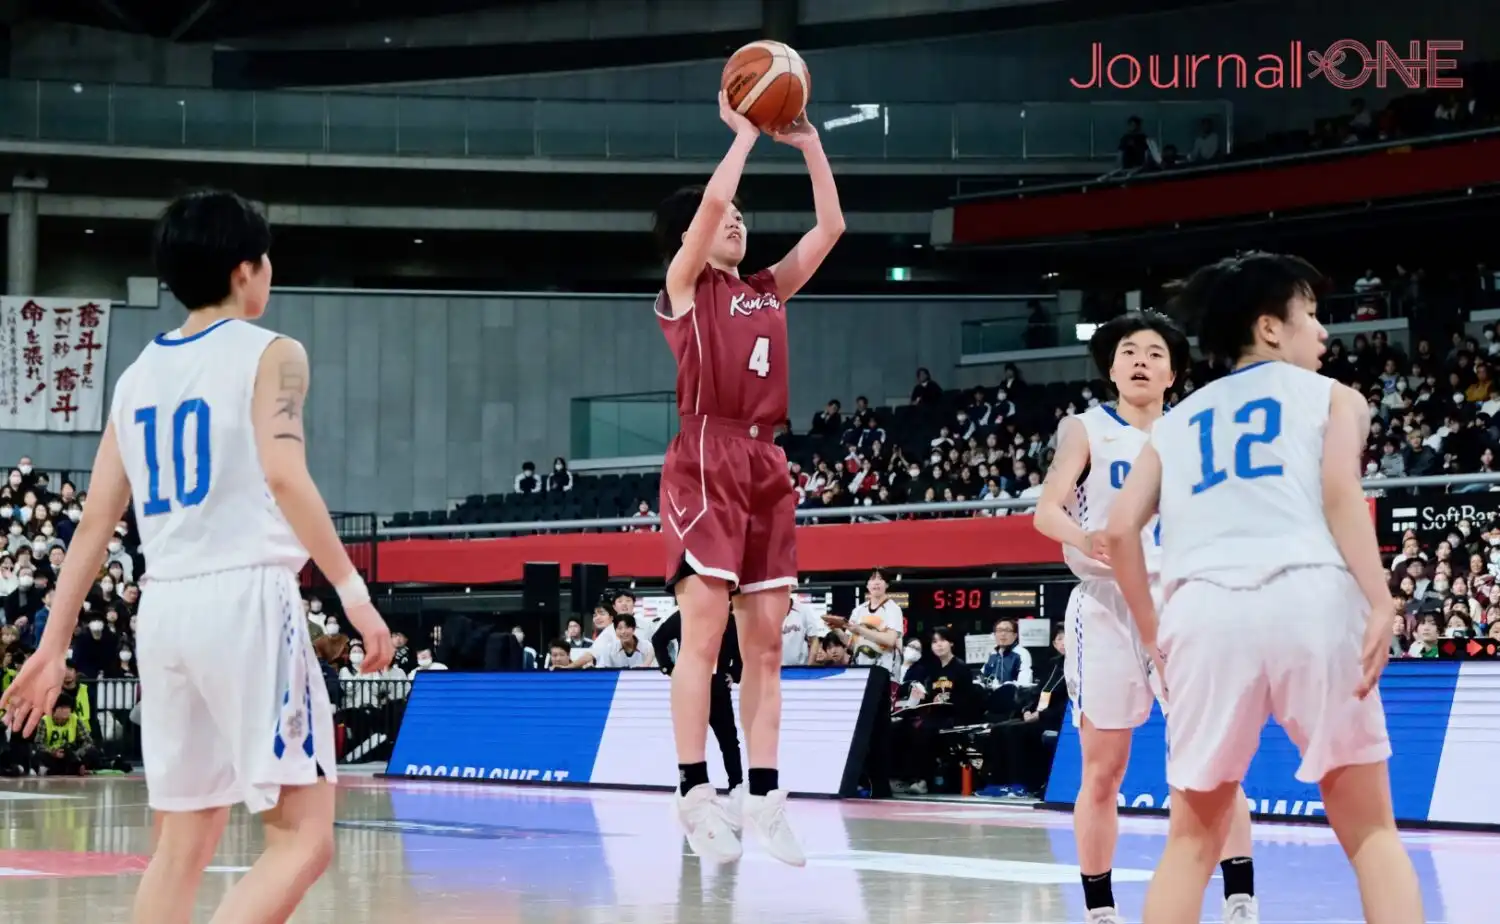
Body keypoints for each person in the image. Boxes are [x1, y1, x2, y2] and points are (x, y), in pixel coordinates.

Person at [0, 189, 393, 924]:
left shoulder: (137, 375)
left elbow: (93, 526)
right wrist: (353, 591)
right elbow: (284, 473)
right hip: (245, 600)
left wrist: (53, 647)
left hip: (166, 610)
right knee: (304, 842)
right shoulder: (274, 352)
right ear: (246, 270)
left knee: (183, 842)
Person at [1104, 252, 1422, 924]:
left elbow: (1119, 529)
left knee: (1190, 843)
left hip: (1202, 611)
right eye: (1311, 316)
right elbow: (1341, 497)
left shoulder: (1174, 422)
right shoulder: (1336, 396)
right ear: (1271, 328)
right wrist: (1381, 598)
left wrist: (1154, 628)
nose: (1324, 333)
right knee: (1371, 834)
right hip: (1310, 595)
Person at [650, 89, 844, 866]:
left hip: (766, 459)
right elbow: (709, 209)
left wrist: (809, 147)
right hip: (705, 454)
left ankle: (762, 794)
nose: (736, 219)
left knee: (764, 649)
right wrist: (740, 137)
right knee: (703, 637)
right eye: (722, 217)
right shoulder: (686, 289)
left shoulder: (767, 289)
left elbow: (830, 228)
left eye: (740, 216)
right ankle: (693, 792)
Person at [1033, 309, 1260, 924]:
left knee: (1213, 758)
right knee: (1103, 768)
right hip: (1105, 607)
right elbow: (1045, 512)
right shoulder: (1083, 428)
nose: (1139, 360)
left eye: (1154, 353)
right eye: (1128, 351)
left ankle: (1241, 897)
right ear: (1110, 368)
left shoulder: (1196, 434)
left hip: (1178, 601)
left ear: (1174, 373)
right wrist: (1082, 538)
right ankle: (1101, 910)